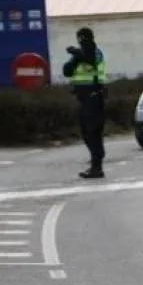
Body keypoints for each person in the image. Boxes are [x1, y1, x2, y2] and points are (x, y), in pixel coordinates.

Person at [63, 27, 107, 179]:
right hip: (84, 100)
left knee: (93, 132)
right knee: (86, 133)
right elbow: (67, 70)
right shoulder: (80, 55)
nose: (81, 42)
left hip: (94, 98)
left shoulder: (95, 52)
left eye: (82, 39)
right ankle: (95, 162)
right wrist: (75, 57)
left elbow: (90, 59)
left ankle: (97, 166)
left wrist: (77, 53)